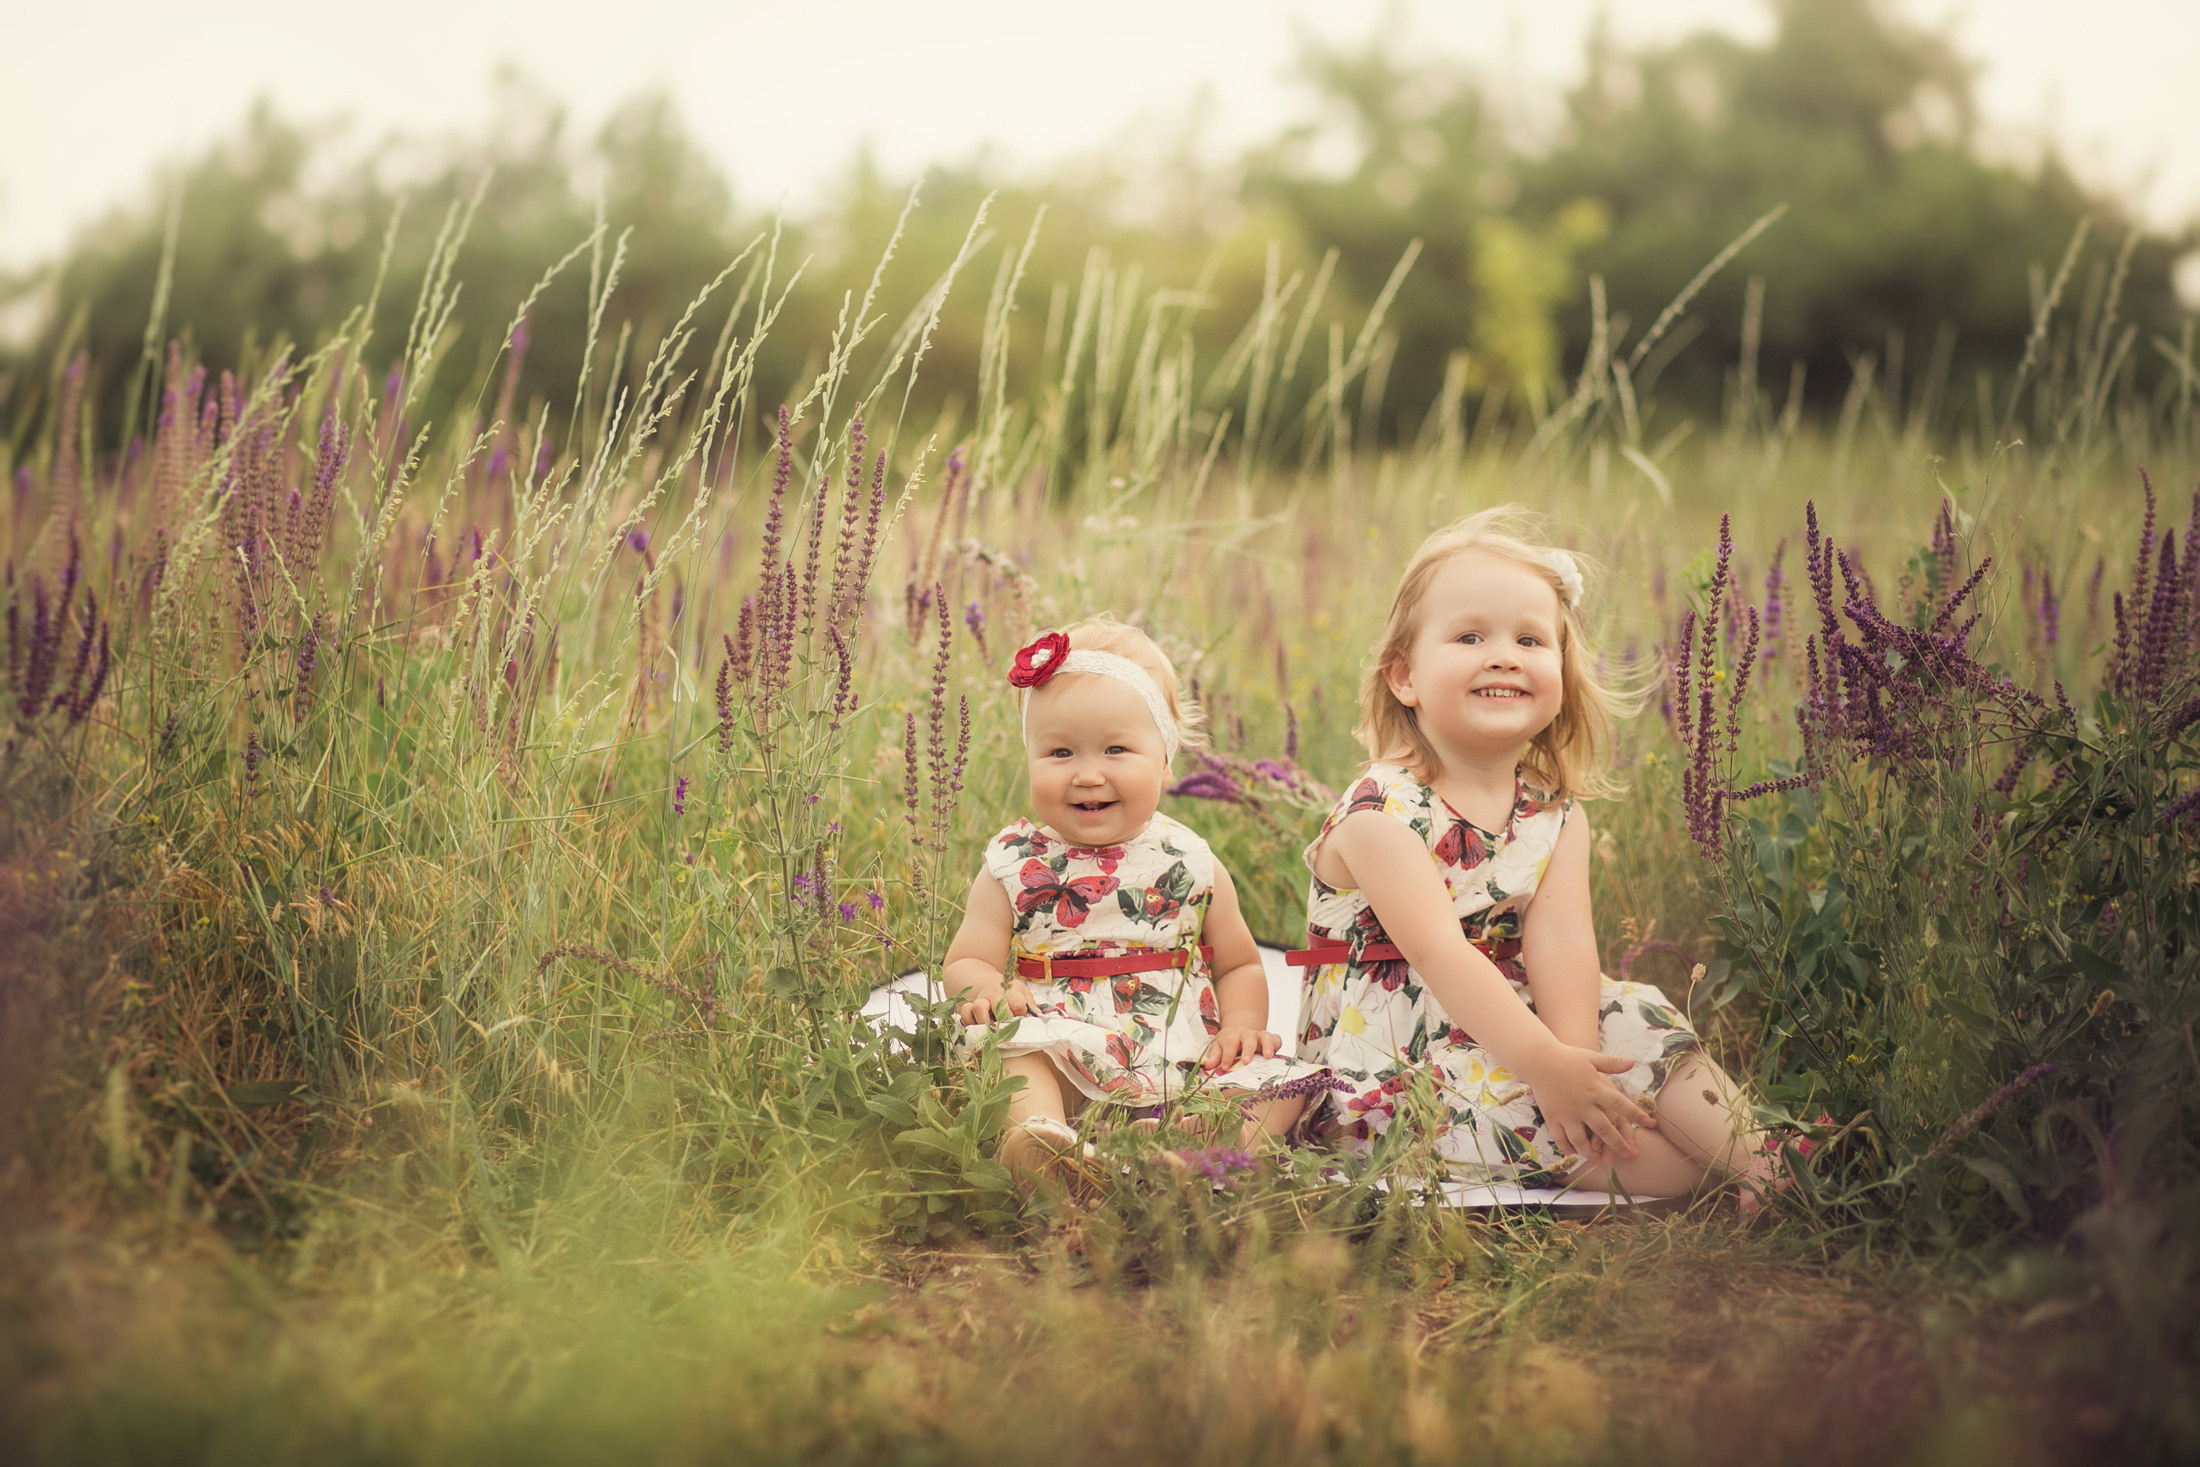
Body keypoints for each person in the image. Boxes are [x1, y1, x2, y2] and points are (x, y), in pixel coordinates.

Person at [1290, 508, 1774, 1203]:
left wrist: (1577, 1065)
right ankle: (1716, 1181)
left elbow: (1564, 939)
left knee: (1639, 1017)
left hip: (1520, 1022)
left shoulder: (1552, 811)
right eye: (1469, 635)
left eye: (1529, 638)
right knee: (1547, 1132)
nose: (1503, 654)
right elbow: (1441, 956)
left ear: (1561, 670)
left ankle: (1765, 1164)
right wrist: (1547, 1069)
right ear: (1405, 677)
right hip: (1396, 1050)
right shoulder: (1379, 813)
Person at [944, 615, 1328, 1190]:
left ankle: (1203, 1149)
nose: (1088, 774)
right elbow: (966, 961)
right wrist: (988, 991)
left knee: (1282, 1089)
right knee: (1013, 1058)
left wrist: (1241, 1030)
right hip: (1063, 1039)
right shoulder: (1013, 861)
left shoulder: (1191, 861)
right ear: (1029, 756)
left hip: (1180, 1050)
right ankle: (1048, 1147)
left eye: (1117, 749)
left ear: (1166, 761)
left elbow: (1239, 963)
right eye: (1059, 753)